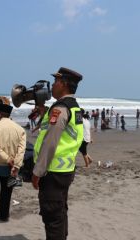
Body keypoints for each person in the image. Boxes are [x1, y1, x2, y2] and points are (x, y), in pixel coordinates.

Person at [32, 67, 83, 240]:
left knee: (52, 217)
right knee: (60, 213)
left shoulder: (60, 109)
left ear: (64, 84)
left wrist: (37, 172)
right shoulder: (74, 107)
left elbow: (50, 142)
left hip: (52, 174)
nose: (52, 86)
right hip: (65, 171)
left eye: (55, 82)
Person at [0, 103, 26, 222]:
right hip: (12, 168)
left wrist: (7, 159)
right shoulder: (20, 129)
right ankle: (3, 215)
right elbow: (21, 150)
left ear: (0, 114)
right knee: (6, 193)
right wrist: (16, 165)